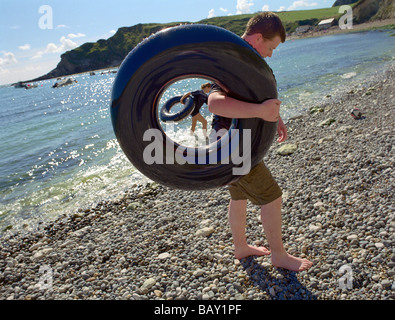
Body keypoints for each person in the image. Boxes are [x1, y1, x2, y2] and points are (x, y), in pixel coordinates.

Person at [207, 12, 312, 272]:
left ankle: (241, 247)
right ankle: (279, 255)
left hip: (232, 142)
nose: (270, 54)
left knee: (239, 195)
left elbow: (258, 97)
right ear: (256, 38)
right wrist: (260, 112)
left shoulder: (246, 61)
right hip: (231, 144)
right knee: (272, 197)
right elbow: (213, 102)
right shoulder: (231, 61)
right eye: (270, 47)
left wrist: (275, 117)